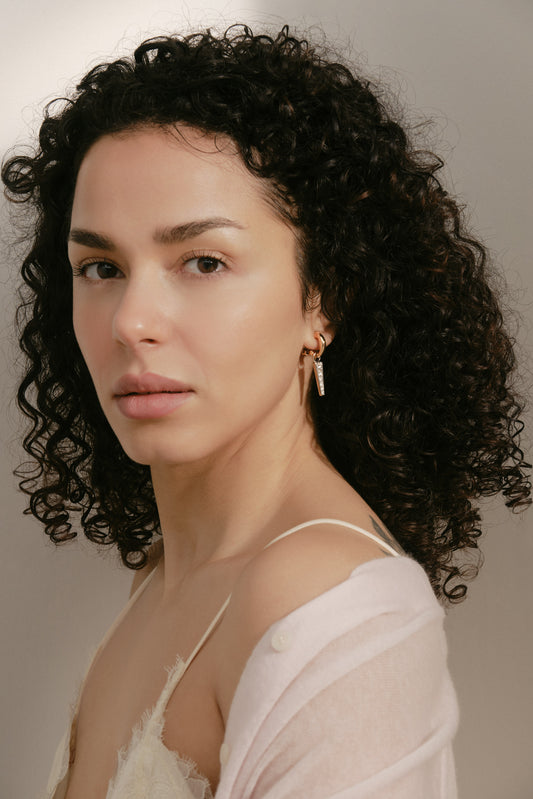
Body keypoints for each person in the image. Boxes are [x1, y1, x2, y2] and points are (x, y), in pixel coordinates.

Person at [2, 25, 530, 799]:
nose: (130, 321)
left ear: (322, 297)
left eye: (203, 261)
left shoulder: (330, 606)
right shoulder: (163, 582)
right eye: (101, 267)